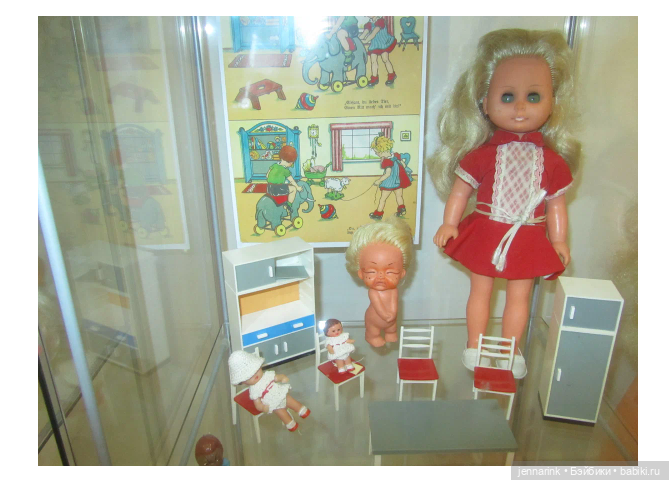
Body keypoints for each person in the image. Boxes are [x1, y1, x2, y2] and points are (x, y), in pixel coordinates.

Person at [427, 29, 581, 379]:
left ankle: (512, 351)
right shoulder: (482, 156)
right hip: (486, 230)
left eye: (534, 96)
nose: (521, 107)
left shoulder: (552, 162)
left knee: (519, 298)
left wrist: (558, 240)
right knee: (480, 291)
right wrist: (450, 223)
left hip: (527, 236)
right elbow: (460, 192)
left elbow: (557, 205)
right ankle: (474, 345)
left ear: (553, 103)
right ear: (485, 102)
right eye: (507, 96)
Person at [345, 217, 413, 347]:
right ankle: (372, 336)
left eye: (390, 272)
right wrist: (386, 315)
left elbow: (394, 303)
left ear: (402, 273)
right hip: (375, 320)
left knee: (392, 328)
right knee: (373, 330)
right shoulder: (373, 292)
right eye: (372, 271)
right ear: (361, 273)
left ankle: (390, 332)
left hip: (391, 319)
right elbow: (378, 306)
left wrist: (392, 314)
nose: (381, 276)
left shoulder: (394, 290)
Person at [229, 351, 310, 432]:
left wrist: (282, 377)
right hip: (272, 402)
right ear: (243, 382)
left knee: (290, 401)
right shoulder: (254, 390)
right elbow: (257, 404)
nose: (255, 375)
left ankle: (301, 410)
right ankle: (290, 423)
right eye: (249, 376)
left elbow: (276, 377)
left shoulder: (267, 375)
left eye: (256, 370)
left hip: (280, 392)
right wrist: (263, 407)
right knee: (281, 412)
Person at [369, 135, 412, 219]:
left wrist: (379, 181)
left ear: (382, 150)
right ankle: (402, 210)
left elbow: (387, 174)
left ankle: (378, 214)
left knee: (382, 199)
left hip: (389, 183)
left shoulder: (387, 161)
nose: (376, 154)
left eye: (377, 152)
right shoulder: (395, 155)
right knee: (399, 196)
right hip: (398, 181)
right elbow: (403, 165)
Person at [359, 16, 397, 86]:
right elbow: (364, 34)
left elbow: (373, 34)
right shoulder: (369, 23)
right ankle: (374, 78)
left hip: (383, 43)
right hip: (375, 44)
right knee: (373, 61)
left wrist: (365, 41)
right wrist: (358, 40)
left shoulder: (380, 21)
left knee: (385, 59)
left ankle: (392, 75)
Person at [266, 145, 303, 211]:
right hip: (278, 189)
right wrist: (298, 187)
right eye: (292, 163)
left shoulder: (274, 165)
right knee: (293, 189)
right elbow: (292, 181)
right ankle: (288, 205)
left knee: (285, 185)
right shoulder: (285, 170)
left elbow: (267, 175)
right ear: (291, 162)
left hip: (269, 188)